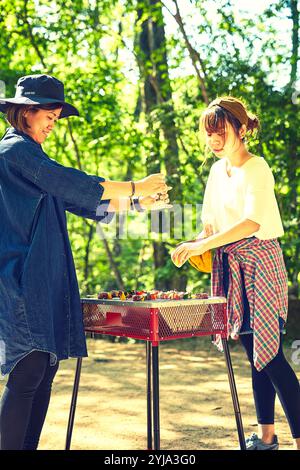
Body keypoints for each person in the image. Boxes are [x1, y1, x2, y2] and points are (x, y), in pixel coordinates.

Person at [0, 74, 171, 450]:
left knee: (44, 371)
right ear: (26, 111)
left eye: (57, 119)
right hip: (21, 283)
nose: (52, 124)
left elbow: (85, 201)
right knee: (27, 371)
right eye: (50, 116)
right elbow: (70, 182)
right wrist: (135, 186)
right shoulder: (14, 152)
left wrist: (142, 203)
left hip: (45, 282)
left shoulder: (34, 157)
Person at [171, 96, 300, 450]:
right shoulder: (216, 171)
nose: (213, 140)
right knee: (253, 353)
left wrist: (203, 245)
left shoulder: (257, 168)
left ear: (241, 130)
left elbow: (251, 223)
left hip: (260, 262)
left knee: (271, 355)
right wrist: (194, 243)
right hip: (229, 266)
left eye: (220, 132)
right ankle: (268, 436)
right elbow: (210, 223)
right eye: (209, 133)